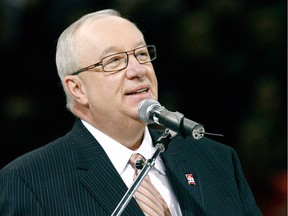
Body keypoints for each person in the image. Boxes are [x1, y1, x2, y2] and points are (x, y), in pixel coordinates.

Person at [0, 9, 262, 216]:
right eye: (113, 61)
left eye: (141, 54)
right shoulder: (30, 181)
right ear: (77, 89)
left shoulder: (216, 160)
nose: (138, 70)